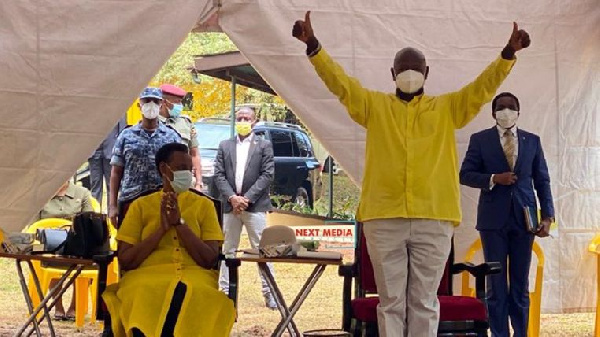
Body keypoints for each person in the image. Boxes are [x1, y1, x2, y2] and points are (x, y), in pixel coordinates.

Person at [292, 11, 530, 336]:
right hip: (383, 218)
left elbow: (481, 88)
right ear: (392, 73)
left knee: (424, 301)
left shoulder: (448, 108)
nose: (409, 73)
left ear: (427, 73)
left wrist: (507, 55)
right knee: (390, 302)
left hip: (434, 218)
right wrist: (314, 47)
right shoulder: (373, 106)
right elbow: (342, 85)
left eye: (415, 68)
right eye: (403, 68)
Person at [102, 143, 235, 337]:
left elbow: (209, 259)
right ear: (164, 169)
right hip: (145, 278)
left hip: (195, 277)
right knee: (142, 294)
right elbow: (126, 259)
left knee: (197, 295)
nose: (187, 174)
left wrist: (180, 224)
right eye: (181, 168)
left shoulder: (204, 206)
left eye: (189, 169)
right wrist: (161, 230)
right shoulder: (140, 206)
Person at [459, 92, 554, 337]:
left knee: (520, 286)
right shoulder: (480, 139)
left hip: (525, 220)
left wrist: (547, 217)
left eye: (511, 107)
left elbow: (542, 180)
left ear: (518, 112)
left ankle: (521, 333)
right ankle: (500, 334)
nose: (506, 111)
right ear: (493, 113)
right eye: (501, 107)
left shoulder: (532, 141)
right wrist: (493, 179)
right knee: (496, 287)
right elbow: (465, 174)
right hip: (492, 222)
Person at [213, 107, 277, 309]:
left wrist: (246, 199)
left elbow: (267, 175)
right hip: (230, 208)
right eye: (239, 118)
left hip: (255, 207)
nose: (242, 120)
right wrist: (232, 198)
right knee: (227, 250)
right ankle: (224, 293)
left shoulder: (264, 145)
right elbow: (219, 174)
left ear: (254, 122)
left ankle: (271, 294)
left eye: (246, 118)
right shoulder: (225, 145)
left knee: (263, 251)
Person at [109, 87, 181, 228]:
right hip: (130, 200)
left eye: (155, 101)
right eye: (147, 101)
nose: (151, 105)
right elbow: (116, 172)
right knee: (128, 246)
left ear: (161, 105)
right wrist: (112, 206)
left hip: (161, 202)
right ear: (139, 105)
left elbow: (179, 171)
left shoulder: (171, 136)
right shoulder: (126, 136)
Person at [37, 180, 94, 321]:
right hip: (48, 244)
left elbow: (90, 221)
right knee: (52, 255)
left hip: (77, 244)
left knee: (88, 257)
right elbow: (33, 225)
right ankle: (58, 306)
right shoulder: (40, 194)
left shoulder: (83, 193)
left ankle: (75, 307)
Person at [158, 84, 203, 190]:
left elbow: (194, 154)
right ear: (164, 102)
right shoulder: (152, 123)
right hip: (159, 182)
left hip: (183, 181)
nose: (180, 106)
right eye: (177, 102)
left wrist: (198, 182)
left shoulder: (186, 122)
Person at [88, 116, 127, 209]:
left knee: (112, 186)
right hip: (94, 148)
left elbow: (122, 127)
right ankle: (95, 216)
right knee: (95, 185)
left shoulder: (118, 104)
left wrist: (120, 146)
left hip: (111, 147)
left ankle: (111, 215)